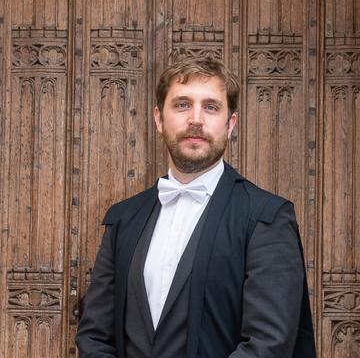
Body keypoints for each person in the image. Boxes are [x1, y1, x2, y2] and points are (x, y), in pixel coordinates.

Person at [76, 57, 316, 358]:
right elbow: (95, 335)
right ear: (159, 119)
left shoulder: (267, 217)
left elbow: (268, 345)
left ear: (230, 124)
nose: (196, 119)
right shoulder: (123, 219)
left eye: (211, 107)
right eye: (182, 105)